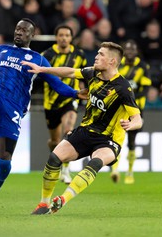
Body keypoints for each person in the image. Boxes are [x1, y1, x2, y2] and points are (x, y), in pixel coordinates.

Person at [0, 18, 87, 215]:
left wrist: (75, 94)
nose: (19, 33)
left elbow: (56, 84)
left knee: (5, 161)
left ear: (32, 35)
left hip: (13, 109)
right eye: (17, 29)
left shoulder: (38, 60)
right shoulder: (2, 50)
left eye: (24, 30)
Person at [24, 42, 142, 215]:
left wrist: (131, 124)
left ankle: (63, 199)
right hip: (85, 131)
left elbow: (138, 119)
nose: (96, 56)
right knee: (54, 158)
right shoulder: (92, 73)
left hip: (109, 140)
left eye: (101, 54)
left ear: (112, 61)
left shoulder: (123, 88)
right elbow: (71, 72)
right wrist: (42, 70)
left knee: (94, 163)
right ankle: (43, 204)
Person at [41, 24, 87, 184]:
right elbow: (40, 74)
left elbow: (84, 76)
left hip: (70, 99)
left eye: (67, 35)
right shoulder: (47, 55)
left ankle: (66, 171)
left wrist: (83, 90)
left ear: (71, 38)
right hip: (51, 103)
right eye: (61, 35)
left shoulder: (79, 54)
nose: (64, 38)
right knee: (54, 141)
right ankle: (56, 162)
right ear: (56, 37)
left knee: (68, 131)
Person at [110, 39, 151, 184]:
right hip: (118, 108)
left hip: (135, 109)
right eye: (127, 50)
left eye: (132, 50)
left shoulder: (143, 66)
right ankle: (115, 169)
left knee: (132, 141)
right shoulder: (117, 65)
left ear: (136, 51)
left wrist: (129, 97)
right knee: (116, 138)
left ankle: (130, 171)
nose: (130, 52)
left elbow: (145, 89)